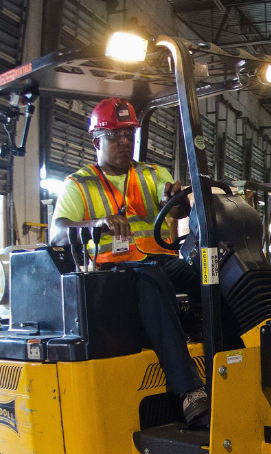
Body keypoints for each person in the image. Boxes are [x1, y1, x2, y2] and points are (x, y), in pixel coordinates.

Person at [49, 97, 209, 429]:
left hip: (161, 261)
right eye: (114, 135)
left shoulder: (153, 174)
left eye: (128, 134)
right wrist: (95, 224)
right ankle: (190, 391)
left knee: (212, 274)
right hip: (113, 273)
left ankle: (235, 360)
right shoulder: (79, 183)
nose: (124, 141)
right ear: (96, 141)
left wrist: (177, 201)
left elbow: (179, 213)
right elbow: (58, 233)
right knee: (151, 281)